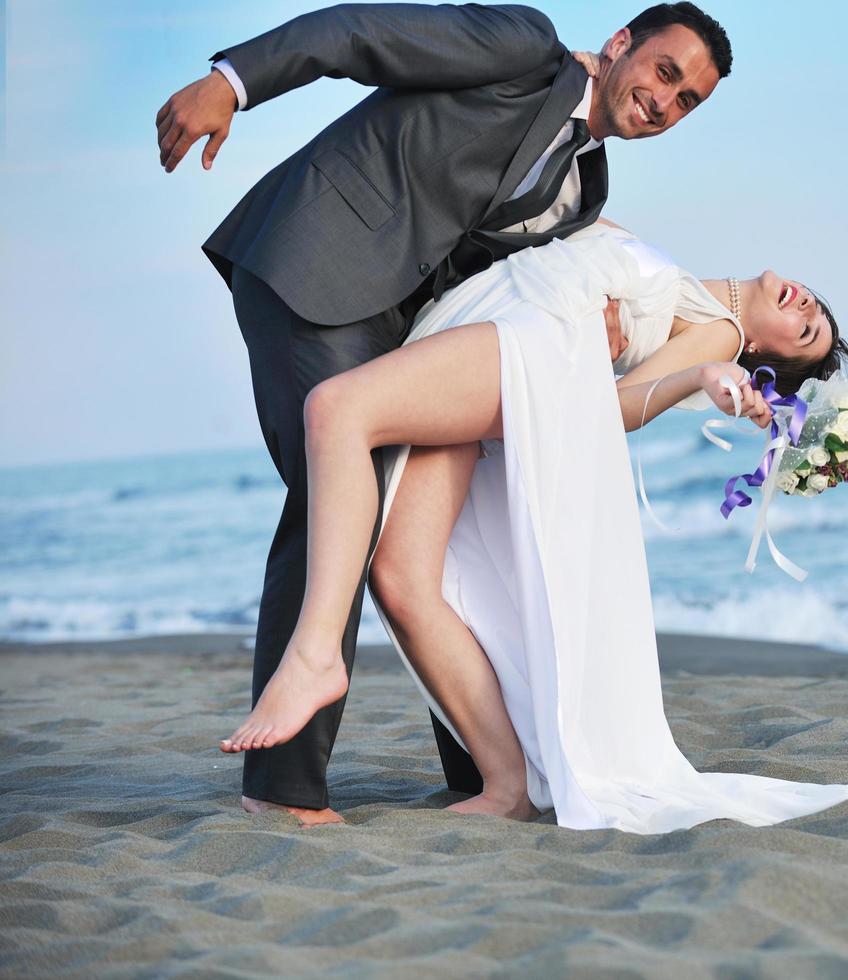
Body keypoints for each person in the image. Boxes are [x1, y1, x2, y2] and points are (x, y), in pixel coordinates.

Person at [219, 222, 848, 833]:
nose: (802, 303)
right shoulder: (689, 284)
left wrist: (696, 378)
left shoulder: (714, 327)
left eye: (805, 327)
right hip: (489, 332)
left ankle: (334, 669)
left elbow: (618, 408)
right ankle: (507, 781)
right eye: (813, 305)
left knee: (340, 414)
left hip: (524, 355)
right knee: (403, 577)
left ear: (767, 357)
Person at [155, 2, 731, 824]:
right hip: (313, 260)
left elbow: (504, 279)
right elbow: (360, 34)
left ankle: (480, 773)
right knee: (332, 505)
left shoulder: (587, 189)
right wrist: (231, 83)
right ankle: (281, 791)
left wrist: (590, 321)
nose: (665, 100)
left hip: (397, 322)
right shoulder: (525, 49)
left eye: (687, 102)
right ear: (621, 46)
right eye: (665, 72)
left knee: (419, 526)